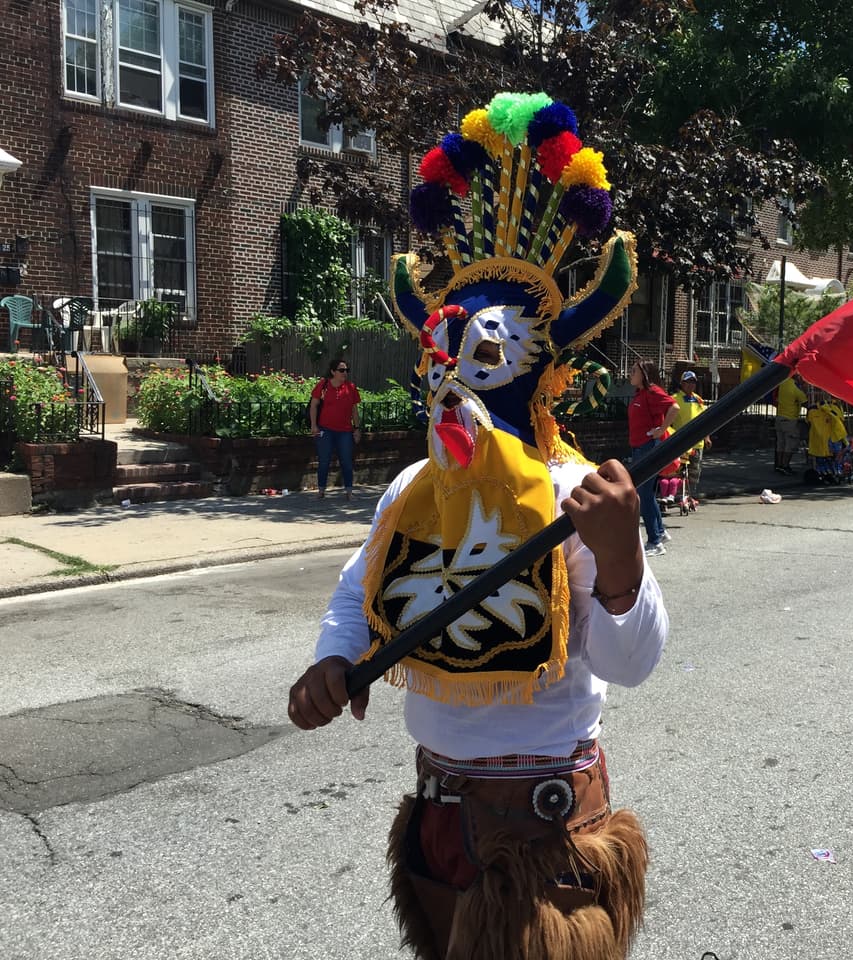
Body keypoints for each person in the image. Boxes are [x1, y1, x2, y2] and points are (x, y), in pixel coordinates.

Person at [288, 90, 667, 960]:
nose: (459, 378)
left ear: (540, 365)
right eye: (446, 355)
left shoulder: (573, 488)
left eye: (486, 357)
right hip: (439, 817)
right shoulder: (415, 488)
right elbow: (360, 590)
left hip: (543, 831)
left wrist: (619, 561)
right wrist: (332, 660)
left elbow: (632, 661)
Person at [628, 359, 678, 556]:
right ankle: (660, 532)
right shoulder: (640, 393)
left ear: (645, 374)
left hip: (647, 448)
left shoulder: (652, 391)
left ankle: (655, 542)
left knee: (644, 496)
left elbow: (674, 407)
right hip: (640, 448)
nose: (630, 374)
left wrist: (662, 430)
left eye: (634, 371)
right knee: (647, 495)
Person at [310, 357, 361, 501]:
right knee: (324, 460)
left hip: (345, 430)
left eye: (346, 370)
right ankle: (321, 491)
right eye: (341, 370)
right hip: (325, 429)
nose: (345, 373)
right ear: (333, 371)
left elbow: (354, 410)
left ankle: (349, 492)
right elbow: (314, 405)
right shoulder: (323, 385)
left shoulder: (351, 387)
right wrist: (314, 425)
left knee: (346, 461)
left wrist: (357, 429)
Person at [672, 370, 710, 503]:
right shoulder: (674, 399)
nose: (690, 385)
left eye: (693, 382)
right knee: (678, 470)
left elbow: (705, 419)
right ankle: (676, 494)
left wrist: (707, 437)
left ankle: (689, 494)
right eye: (688, 382)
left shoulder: (699, 400)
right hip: (681, 442)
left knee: (694, 472)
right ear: (682, 383)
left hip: (697, 443)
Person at [775, 372, 806, 475]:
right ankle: (785, 466)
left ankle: (779, 465)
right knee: (790, 444)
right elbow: (805, 401)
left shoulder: (783, 383)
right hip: (790, 419)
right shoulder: (795, 387)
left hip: (779, 417)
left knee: (781, 443)